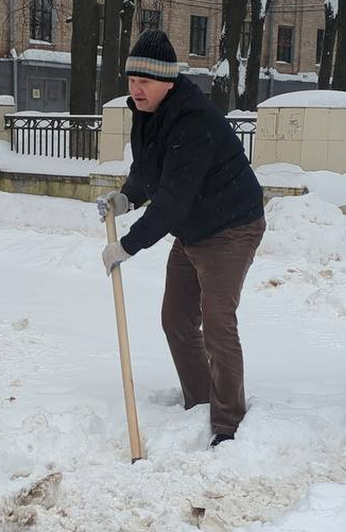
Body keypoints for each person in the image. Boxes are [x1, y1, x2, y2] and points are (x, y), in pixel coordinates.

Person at [97, 29, 266, 448]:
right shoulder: (147, 111)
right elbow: (148, 169)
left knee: (218, 324)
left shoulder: (194, 120)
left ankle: (227, 423)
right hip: (193, 226)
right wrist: (127, 197)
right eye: (131, 80)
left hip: (232, 227)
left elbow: (171, 200)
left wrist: (127, 246)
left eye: (145, 82)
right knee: (176, 318)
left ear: (168, 82)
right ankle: (201, 400)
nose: (136, 90)